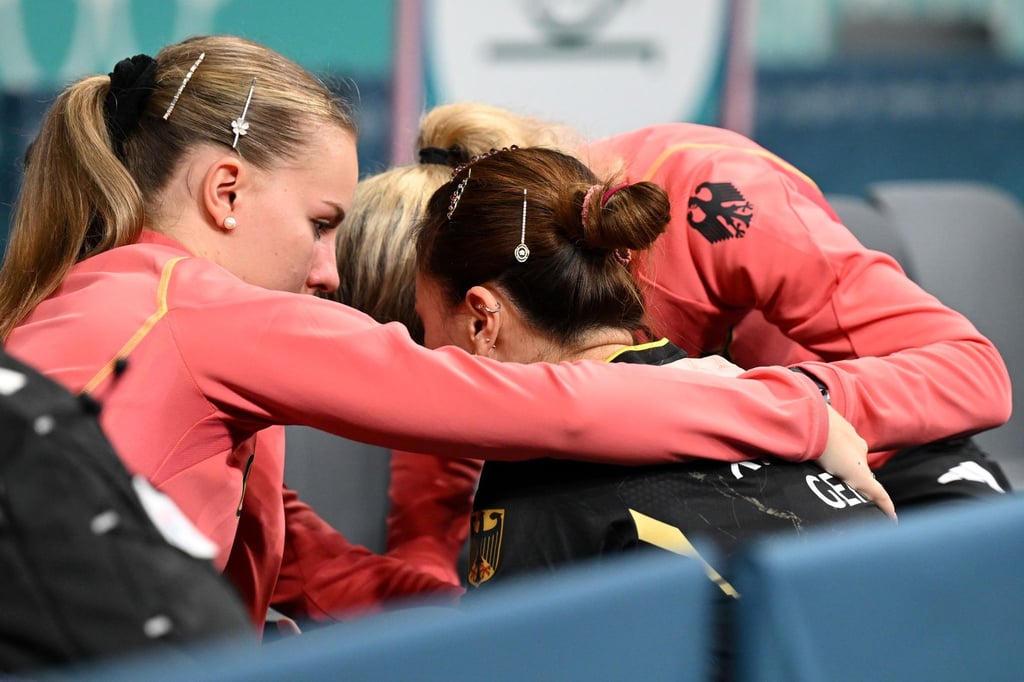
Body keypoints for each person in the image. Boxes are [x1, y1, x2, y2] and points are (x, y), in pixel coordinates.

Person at [0, 35, 884, 635]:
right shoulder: (195, 311)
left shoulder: (117, 313)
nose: (329, 273)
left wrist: (466, 624)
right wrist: (790, 415)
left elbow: (309, 569)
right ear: (225, 193)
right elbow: (507, 401)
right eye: (319, 223)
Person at [336, 101, 1011, 585]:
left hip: (881, 467)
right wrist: (420, 596)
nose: (438, 361)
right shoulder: (468, 308)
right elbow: (440, 483)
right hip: (719, 487)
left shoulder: (716, 199)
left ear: (482, 314)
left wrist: (772, 407)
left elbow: (973, 374)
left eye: (429, 334)